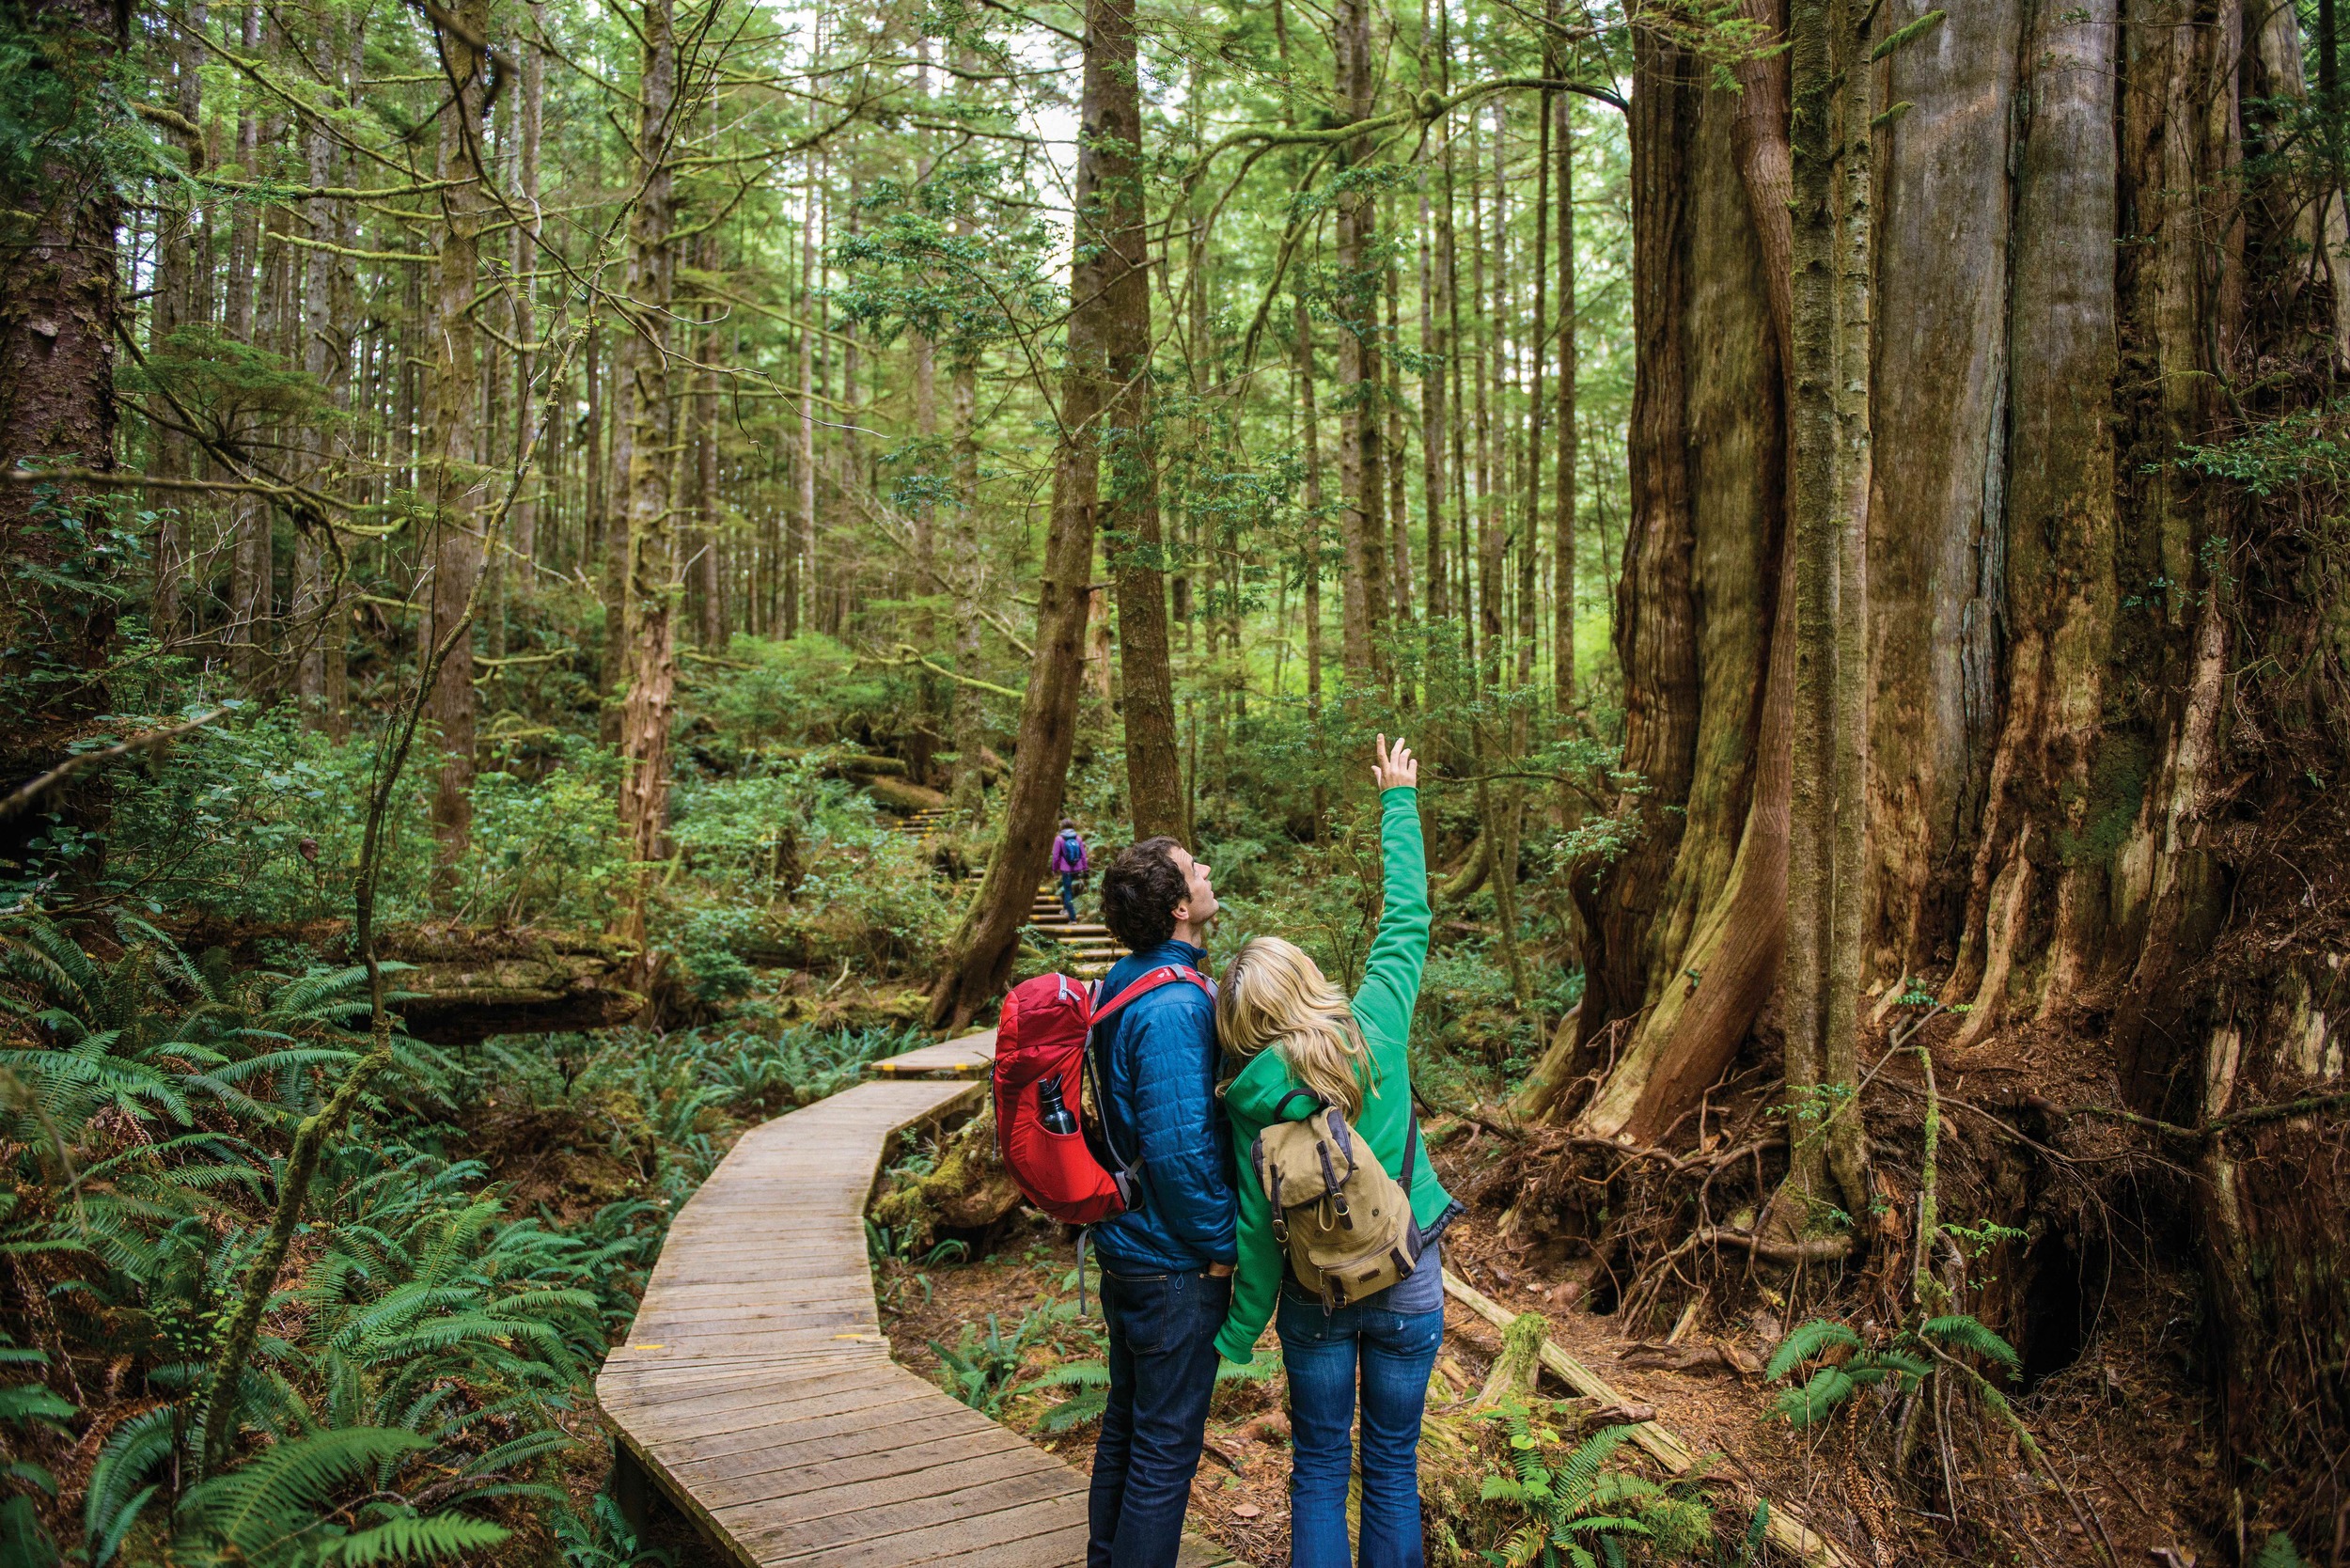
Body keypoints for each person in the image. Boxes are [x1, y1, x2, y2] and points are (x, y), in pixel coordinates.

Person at [1213, 736, 1459, 1568]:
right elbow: (1408, 917)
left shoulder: (1248, 1107)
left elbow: (1254, 1230)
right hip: (1407, 1274)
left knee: (1318, 1471)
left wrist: (1239, 1334)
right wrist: (1398, 800)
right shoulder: (1377, 1025)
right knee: (1391, 1466)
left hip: (1311, 1296)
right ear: (1309, 978)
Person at [1084, 834, 1237, 1568]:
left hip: (1128, 1242)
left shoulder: (1124, 979)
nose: (1206, 873)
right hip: (1171, 1262)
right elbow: (1179, 1151)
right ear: (1180, 905)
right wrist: (1222, 1245)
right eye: (1193, 868)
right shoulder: (1176, 1006)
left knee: (1126, 1421)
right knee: (1164, 1448)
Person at [1052, 817, 1089, 922]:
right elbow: (1083, 855)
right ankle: (1065, 909)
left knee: (1067, 891)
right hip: (1078, 868)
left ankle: (1072, 918)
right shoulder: (1078, 838)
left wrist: (1054, 869)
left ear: (1062, 827)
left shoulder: (1059, 839)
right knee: (1074, 890)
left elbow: (1055, 856)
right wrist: (1085, 868)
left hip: (1065, 869)